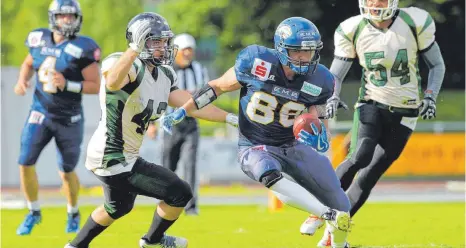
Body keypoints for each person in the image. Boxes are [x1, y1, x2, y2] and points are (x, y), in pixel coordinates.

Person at [161, 17, 351, 248]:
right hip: (255, 144)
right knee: (269, 174)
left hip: (291, 144)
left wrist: (321, 130)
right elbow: (217, 86)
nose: (304, 57)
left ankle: (336, 243)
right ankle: (323, 213)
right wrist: (184, 109)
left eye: (309, 51)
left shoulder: (320, 79)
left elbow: (314, 112)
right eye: (297, 51)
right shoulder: (257, 62)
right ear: (282, 49)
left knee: (342, 203)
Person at [64, 12, 237, 248]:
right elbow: (113, 81)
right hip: (113, 155)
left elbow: (191, 104)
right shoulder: (126, 64)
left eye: (165, 41)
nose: (164, 47)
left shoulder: (165, 75)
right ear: (139, 41)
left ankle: (75, 245)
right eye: (156, 41)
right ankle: (152, 241)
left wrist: (230, 118)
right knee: (180, 193)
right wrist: (134, 49)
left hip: (123, 156)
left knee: (118, 207)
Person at [305, 0, 446, 246]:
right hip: (371, 103)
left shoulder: (414, 22)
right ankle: (318, 208)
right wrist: (333, 95)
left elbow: (437, 65)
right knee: (360, 155)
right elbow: (336, 74)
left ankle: (333, 234)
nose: (374, 3)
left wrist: (431, 95)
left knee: (369, 176)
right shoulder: (353, 28)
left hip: (406, 112)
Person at [14, 0, 101, 235]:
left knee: (66, 170)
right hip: (40, 112)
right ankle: (33, 211)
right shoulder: (38, 39)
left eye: (72, 17)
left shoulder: (83, 47)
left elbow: (95, 85)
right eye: (63, 16)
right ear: (54, 17)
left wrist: (68, 84)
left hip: (68, 118)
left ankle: (73, 211)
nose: (68, 21)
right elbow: (29, 62)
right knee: (25, 162)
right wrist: (23, 80)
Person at [147, 33, 209, 215]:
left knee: (190, 166)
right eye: (185, 50)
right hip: (169, 125)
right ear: (176, 52)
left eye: (191, 50)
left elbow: (206, 95)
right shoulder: (165, 70)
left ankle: (191, 206)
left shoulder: (200, 70)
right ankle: (166, 203)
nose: (188, 54)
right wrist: (151, 123)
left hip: (191, 125)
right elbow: (155, 98)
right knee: (168, 167)